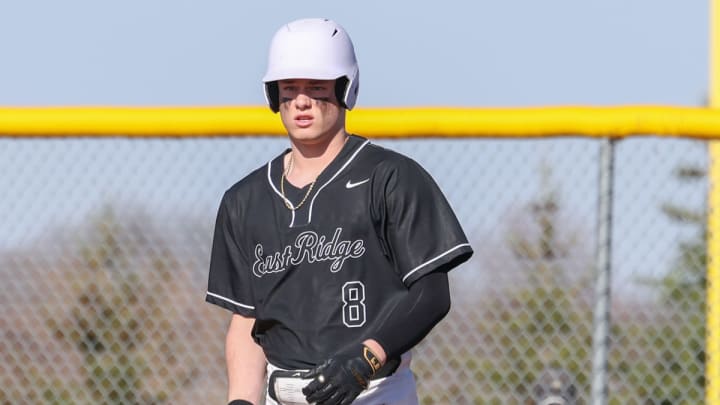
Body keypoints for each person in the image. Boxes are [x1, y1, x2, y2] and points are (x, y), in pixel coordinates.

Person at [205, 17, 473, 405]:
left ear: (345, 88)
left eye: (316, 87)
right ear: (272, 94)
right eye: (289, 88)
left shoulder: (390, 177)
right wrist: (241, 400)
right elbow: (248, 321)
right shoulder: (245, 200)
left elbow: (431, 294)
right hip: (282, 394)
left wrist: (367, 357)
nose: (301, 101)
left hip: (374, 391)